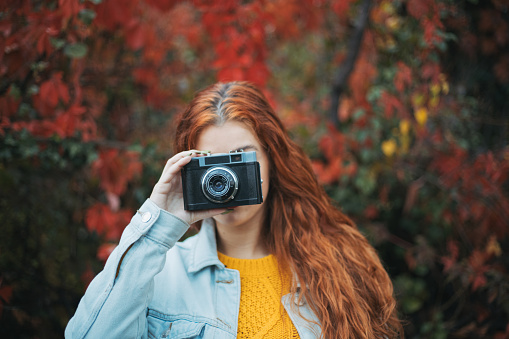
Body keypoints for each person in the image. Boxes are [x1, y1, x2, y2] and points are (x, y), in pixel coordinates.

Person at [65, 81, 403, 339]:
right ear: (187, 169)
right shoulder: (160, 273)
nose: (226, 180)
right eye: (210, 165)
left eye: (240, 159)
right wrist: (157, 224)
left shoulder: (339, 262)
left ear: (272, 159)